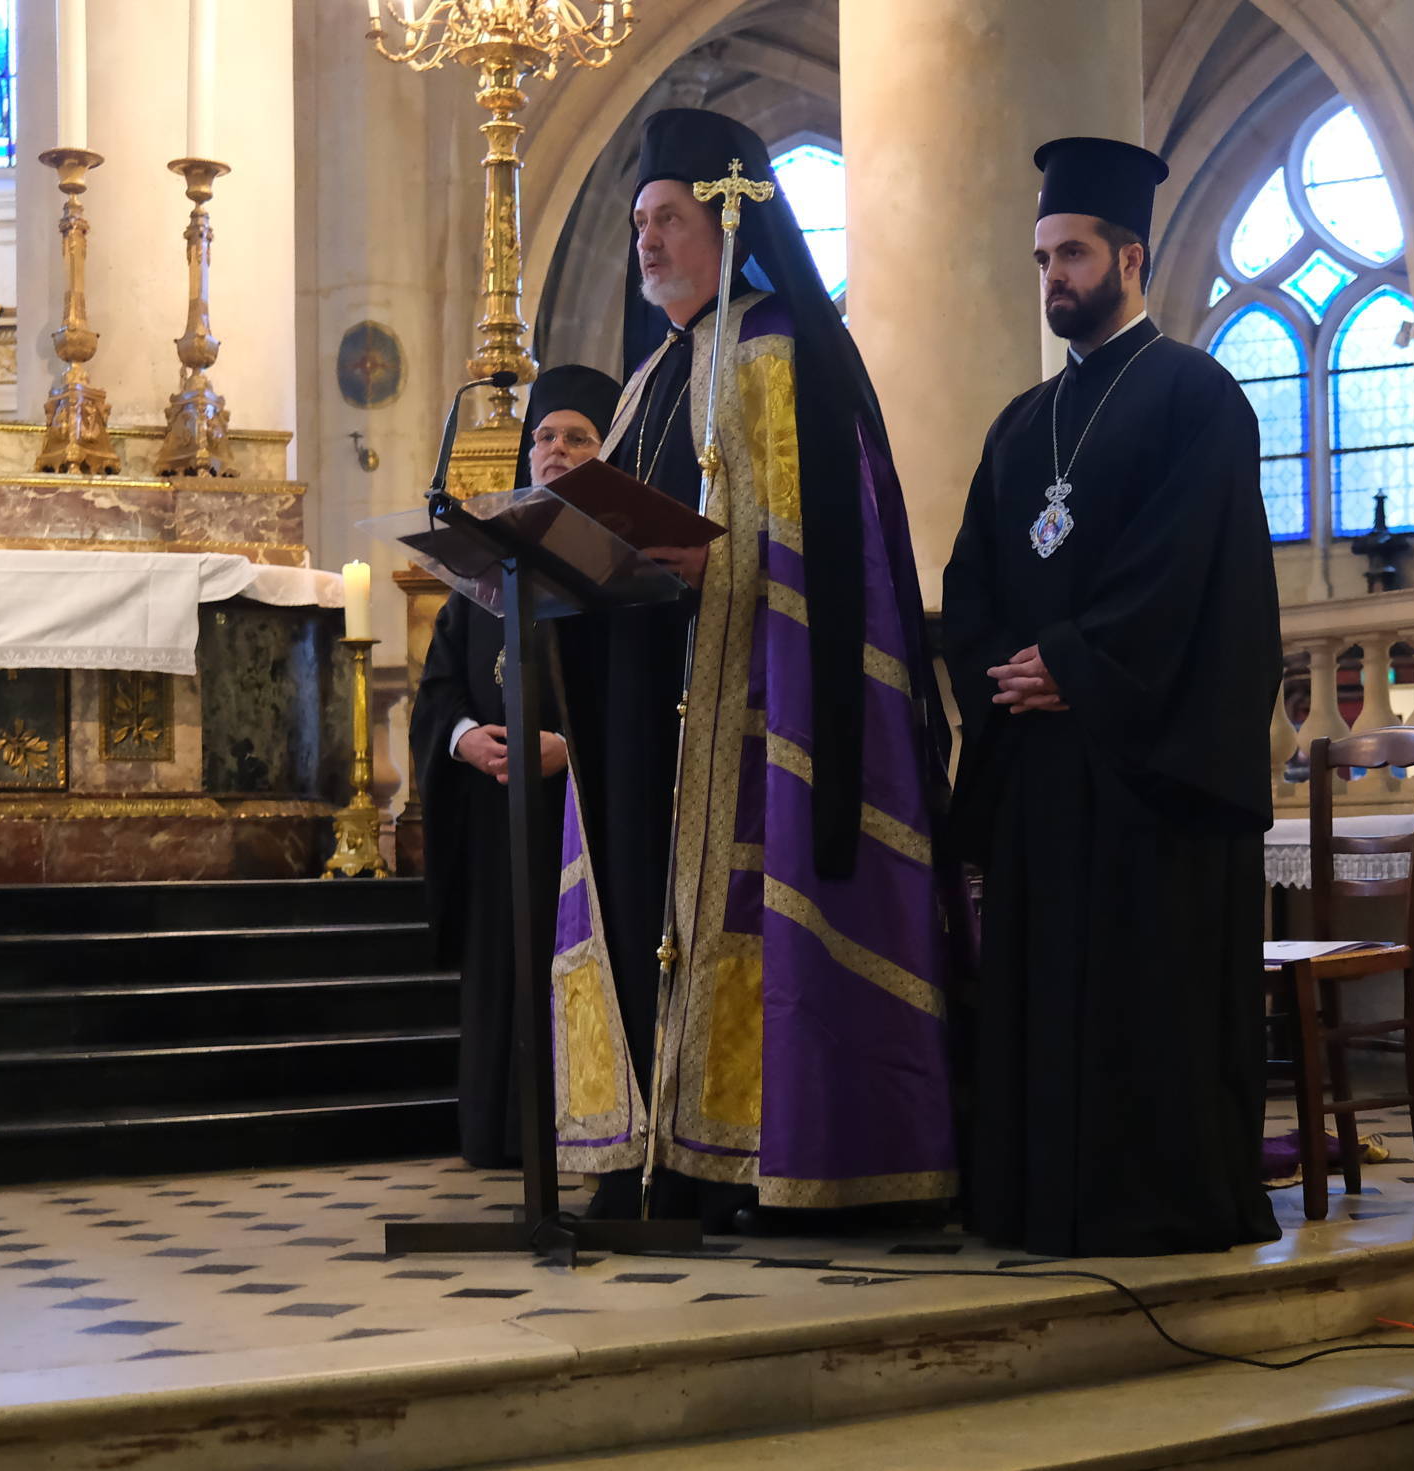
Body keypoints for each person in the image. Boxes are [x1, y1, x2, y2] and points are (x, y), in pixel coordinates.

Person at [550, 108, 958, 1232]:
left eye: (668, 219)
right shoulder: (644, 383)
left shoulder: (776, 351)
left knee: (739, 906)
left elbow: (830, 554)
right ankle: (659, 1152)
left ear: (730, 222)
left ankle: (752, 1154)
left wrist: (711, 561)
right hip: (645, 702)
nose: (647, 243)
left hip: (750, 703)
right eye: (638, 223)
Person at [941, 136, 1283, 1257]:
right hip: (1044, 771)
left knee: (1150, 1004)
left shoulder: (1199, 398)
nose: (1054, 279)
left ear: (1131, 257)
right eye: (1043, 257)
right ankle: (1041, 1203)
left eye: (1074, 254)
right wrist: (1006, 668)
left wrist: (1075, 665)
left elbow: (1190, 570)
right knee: (1041, 1001)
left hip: (1150, 774)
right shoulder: (1018, 421)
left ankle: (1158, 1206)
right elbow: (972, 578)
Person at [410, 365, 621, 1169]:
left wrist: (573, 749)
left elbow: (648, 697)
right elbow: (437, 687)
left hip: (587, 813)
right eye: (544, 436)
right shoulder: (482, 562)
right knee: (501, 963)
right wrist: (465, 735)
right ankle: (499, 1132)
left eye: (577, 437)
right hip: (498, 808)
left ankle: (586, 1129)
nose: (556, 450)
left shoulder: (619, 561)